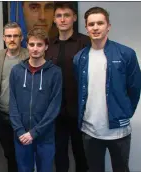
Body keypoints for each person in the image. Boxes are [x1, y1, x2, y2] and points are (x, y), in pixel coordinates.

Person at [73, 7, 141, 172]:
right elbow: (81, 88)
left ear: (108, 26)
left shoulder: (126, 54)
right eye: (91, 24)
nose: (95, 27)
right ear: (86, 28)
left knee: (121, 169)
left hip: (118, 131)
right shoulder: (80, 58)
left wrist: (125, 112)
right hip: (89, 130)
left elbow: (135, 87)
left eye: (100, 23)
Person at [9, 28, 62, 172]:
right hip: (21, 135)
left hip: (45, 136)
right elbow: (12, 104)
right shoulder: (16, 71)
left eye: (39, 45)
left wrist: (35, 133)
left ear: (46, 47)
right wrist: (20, 131)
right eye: (32, 44)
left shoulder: (55, 72)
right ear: (27, 45)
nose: (35, 49)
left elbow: (54, 107)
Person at [45, 2, 90, 172]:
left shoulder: (85, 42)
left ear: (74, 18)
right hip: (55, 111)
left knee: (82, 154)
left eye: (67, 15)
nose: (63, 19)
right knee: (59, 155)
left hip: (80, 110)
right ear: (54, 20)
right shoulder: (49, 44)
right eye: (59, 16)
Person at [0, 22, 28, 172]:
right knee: (9, 154)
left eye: (15, 36)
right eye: (8, 36)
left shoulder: (29, 54)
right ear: (4, 38)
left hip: (23, 115)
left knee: (24, 155)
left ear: (21, 38)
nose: (12, 39)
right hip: (2, 113)